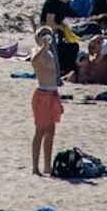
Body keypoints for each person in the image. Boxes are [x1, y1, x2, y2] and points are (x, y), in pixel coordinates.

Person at [30, 27, 62, 176]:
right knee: (40, 131)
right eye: (41, 34)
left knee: (51, 131)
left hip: (52, 93)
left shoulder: (50, 53)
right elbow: (34, 60)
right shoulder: (37, 51)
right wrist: (42, 47)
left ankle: (47, 166)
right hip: (42, 94)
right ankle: (35, 167)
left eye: (47, 34)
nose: (45, 37)